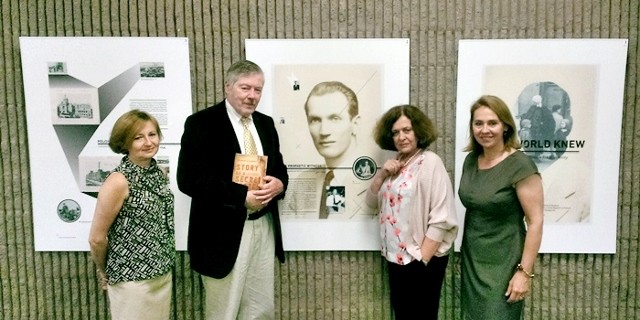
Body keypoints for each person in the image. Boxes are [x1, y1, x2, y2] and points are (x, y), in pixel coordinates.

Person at [177, 60, 288, 320]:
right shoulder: (201, 123)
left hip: (263, 227)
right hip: (221, 234)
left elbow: (280, 169)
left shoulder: (266, 123)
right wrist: (241, 198)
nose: (252, 96)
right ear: (228, 87)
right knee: (223, 311)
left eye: (258, 90)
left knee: (260, 309)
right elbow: (189, 179)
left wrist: (280, 185)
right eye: (245, 88)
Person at [365, 104, 458, 319]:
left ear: (418, 131)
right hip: (396, 258)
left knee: (422, 315)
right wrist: (381, 176)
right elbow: (371, 203)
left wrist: (422, 258)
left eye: (407, 130)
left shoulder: (431, 162)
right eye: (396, 132)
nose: (401, 137)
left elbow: (442, 218)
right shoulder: (395, 164)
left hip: (420, 258)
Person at [458, 95, 544, 319]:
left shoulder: (520, 165)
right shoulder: (471, 160)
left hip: (505, 263)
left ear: (505, 126)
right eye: (478, 123)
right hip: (473, 261)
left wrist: (524, 273)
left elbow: (535, 222)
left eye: (492, 123)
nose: (484, 130)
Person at [88, 109, 175, 320]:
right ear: (124, 143)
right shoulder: (118, 181)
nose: (148, 142)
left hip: (162, 274)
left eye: (152, 134)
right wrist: (104, 271)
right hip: (132, 281)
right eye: (138, 137)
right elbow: (97, 238)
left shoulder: (159, 173)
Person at [301, 81, 372, 219]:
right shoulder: (304, 181)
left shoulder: (376, 180)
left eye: (334, 118)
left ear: (355, 124)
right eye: (315, 120)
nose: (324, 131)